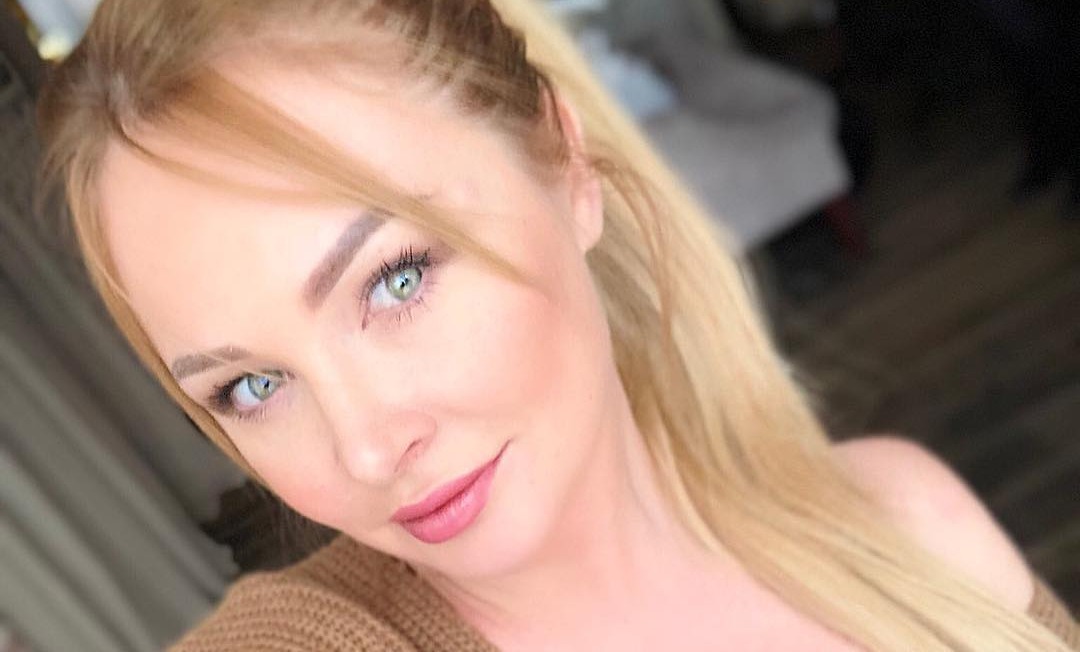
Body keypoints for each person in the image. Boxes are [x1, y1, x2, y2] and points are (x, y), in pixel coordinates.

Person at [36, 0, 1077, 650]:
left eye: (396, 279)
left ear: (565, 165)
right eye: (251, 387)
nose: (364, 448)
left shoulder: (914, 527)